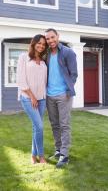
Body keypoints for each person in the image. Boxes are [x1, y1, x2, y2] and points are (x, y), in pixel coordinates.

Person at [45, 28, 78, 168]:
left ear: (58, 36)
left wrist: (66, 90)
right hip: (49, 94)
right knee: (54, 124)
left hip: (63, 95)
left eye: (52, 37)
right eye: (48, 38)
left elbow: (74, 74)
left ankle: (65, 155)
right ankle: (58, 150)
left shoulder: (67, 52)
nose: (50, 40)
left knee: (64, 124)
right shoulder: (45, 54)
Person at [17, 34, 48, 164]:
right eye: (39, 43)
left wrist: (42, 97)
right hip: (27, 98)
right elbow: (21, 80)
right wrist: (32, 96)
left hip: (42, 99)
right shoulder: (23, 57)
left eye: (43, 44)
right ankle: (41, 156)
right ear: (33, 43)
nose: (41, 46)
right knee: (39, 126)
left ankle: (32, 156)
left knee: (36, 127)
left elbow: (44, 81)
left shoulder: (43, 61)